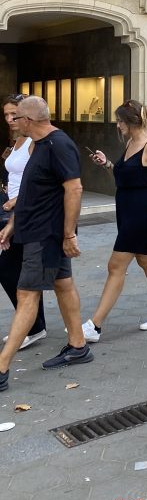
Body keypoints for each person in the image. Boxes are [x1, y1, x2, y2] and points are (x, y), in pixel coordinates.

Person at [0, 96, 92, 390]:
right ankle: (78, 346)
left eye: (17, 118)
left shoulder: (59, 144)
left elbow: (74, 189)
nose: (13, 123)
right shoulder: (39, 146)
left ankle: (1, 366)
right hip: (36, 231)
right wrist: (14, 225)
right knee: (63, 284)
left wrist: (68, 234)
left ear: (28, 120)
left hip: (47, 235)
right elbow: (31, 192)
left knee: (27, 296)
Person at [82, 100, 147, 341]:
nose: (117, 125)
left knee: (116, 266)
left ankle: (94, 326)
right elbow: (122, 175)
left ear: (132, 121)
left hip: (140, 211)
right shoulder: (130, 143)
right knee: (146, 259)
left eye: (120, 121)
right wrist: (106, 163)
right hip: (126, 209)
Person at [0, 94, 46, 350]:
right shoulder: (17, 140)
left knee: (9, 269)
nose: (9, 120)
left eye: (13, 115)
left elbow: (38, 178)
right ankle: (33, 324)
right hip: (9, 211)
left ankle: (33, 326)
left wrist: (17, 201)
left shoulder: (33, 141)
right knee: (12, 269)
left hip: (24, 213)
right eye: (5, 115)